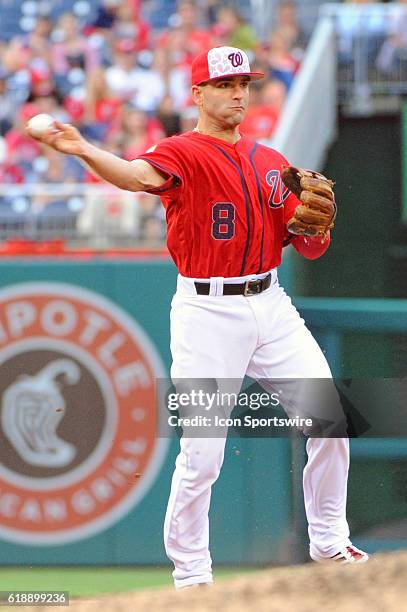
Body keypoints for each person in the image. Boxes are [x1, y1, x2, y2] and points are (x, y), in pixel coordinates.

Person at [27, 45, 369, 589]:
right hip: (207, 310)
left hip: (271, 302)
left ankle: (329, 542)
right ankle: (191, 575)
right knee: (203, 452)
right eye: (226, 84)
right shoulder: (181, 152)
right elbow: (138, 177)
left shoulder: (272, 162)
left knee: (331, 419)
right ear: (199, 94)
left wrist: (315, 229)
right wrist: (84, 149)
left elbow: (306, 247)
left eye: (244, 84)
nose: (238, 93)